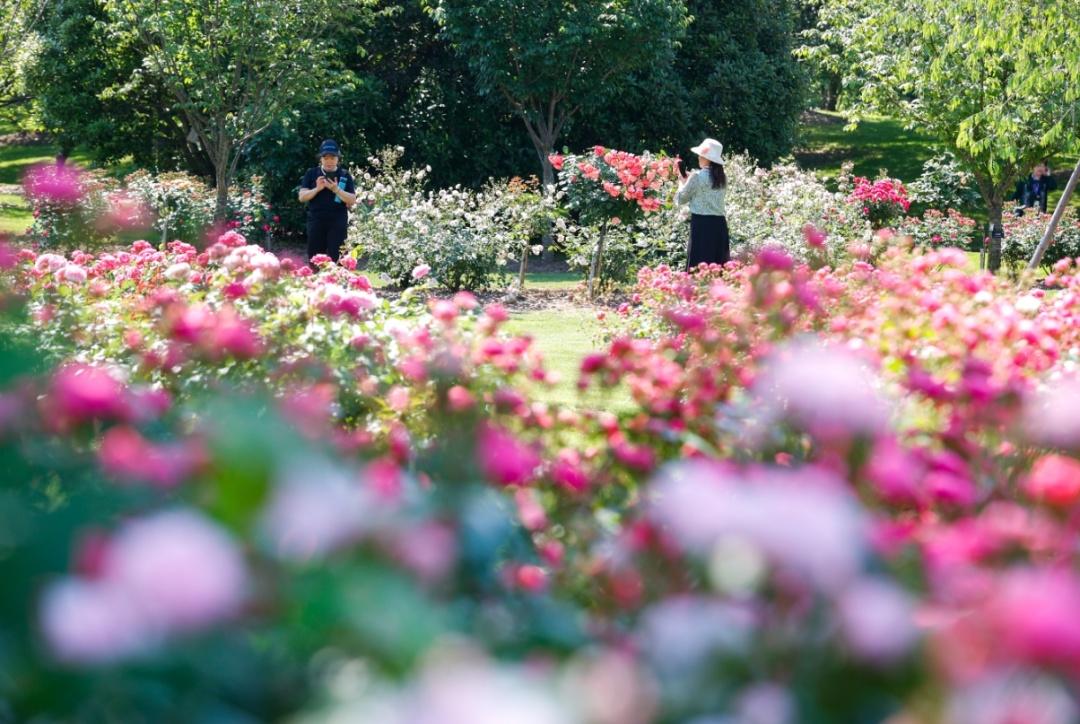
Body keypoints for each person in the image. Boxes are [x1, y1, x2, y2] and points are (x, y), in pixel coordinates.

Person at [675, 137, 729, 270]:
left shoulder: (697, 176)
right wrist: (690, 180)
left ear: (708, 158)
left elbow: (680, 199)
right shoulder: (722, 178)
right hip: (719, 226)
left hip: (701, 226)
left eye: (701, 155)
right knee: (718, 269)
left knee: (699, 269)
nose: (699, 157)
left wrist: (682, 183)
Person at [298, 139, 357, 261]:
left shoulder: (345, 175)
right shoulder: (312, 173)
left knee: (339, 259)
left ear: (338, 158)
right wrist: (317, 189)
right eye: (326, 158)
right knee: (315, 259)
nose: (329, 161)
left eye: (333, 157)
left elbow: (352, 200)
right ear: (321, 159)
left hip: (337, 221)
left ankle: (339, 280)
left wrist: (336, 189)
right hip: (316, 220)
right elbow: (302, 197)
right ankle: (316, 280)